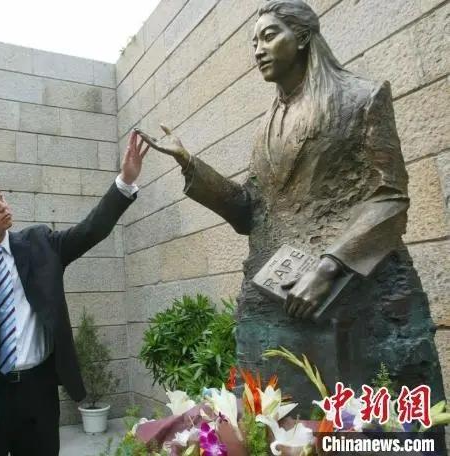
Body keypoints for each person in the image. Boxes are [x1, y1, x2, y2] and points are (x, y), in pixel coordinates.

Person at [138, 0, 445, 422]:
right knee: (278, 429)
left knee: (366, 430)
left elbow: (389, 197)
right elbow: (250, 211)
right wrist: (191, 165)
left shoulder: (361, 97)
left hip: (356, 300)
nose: (258, 50)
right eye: (253, 42)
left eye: (269, 36)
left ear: (301, 37)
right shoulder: (265, 128)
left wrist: (329, 268)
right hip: (274, 304)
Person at [0, 131, 148, 456]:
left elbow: (90, 230)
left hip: (39, 388)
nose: (2, 206)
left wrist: (125, 181)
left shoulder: (40, 243)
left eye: (1, 197)